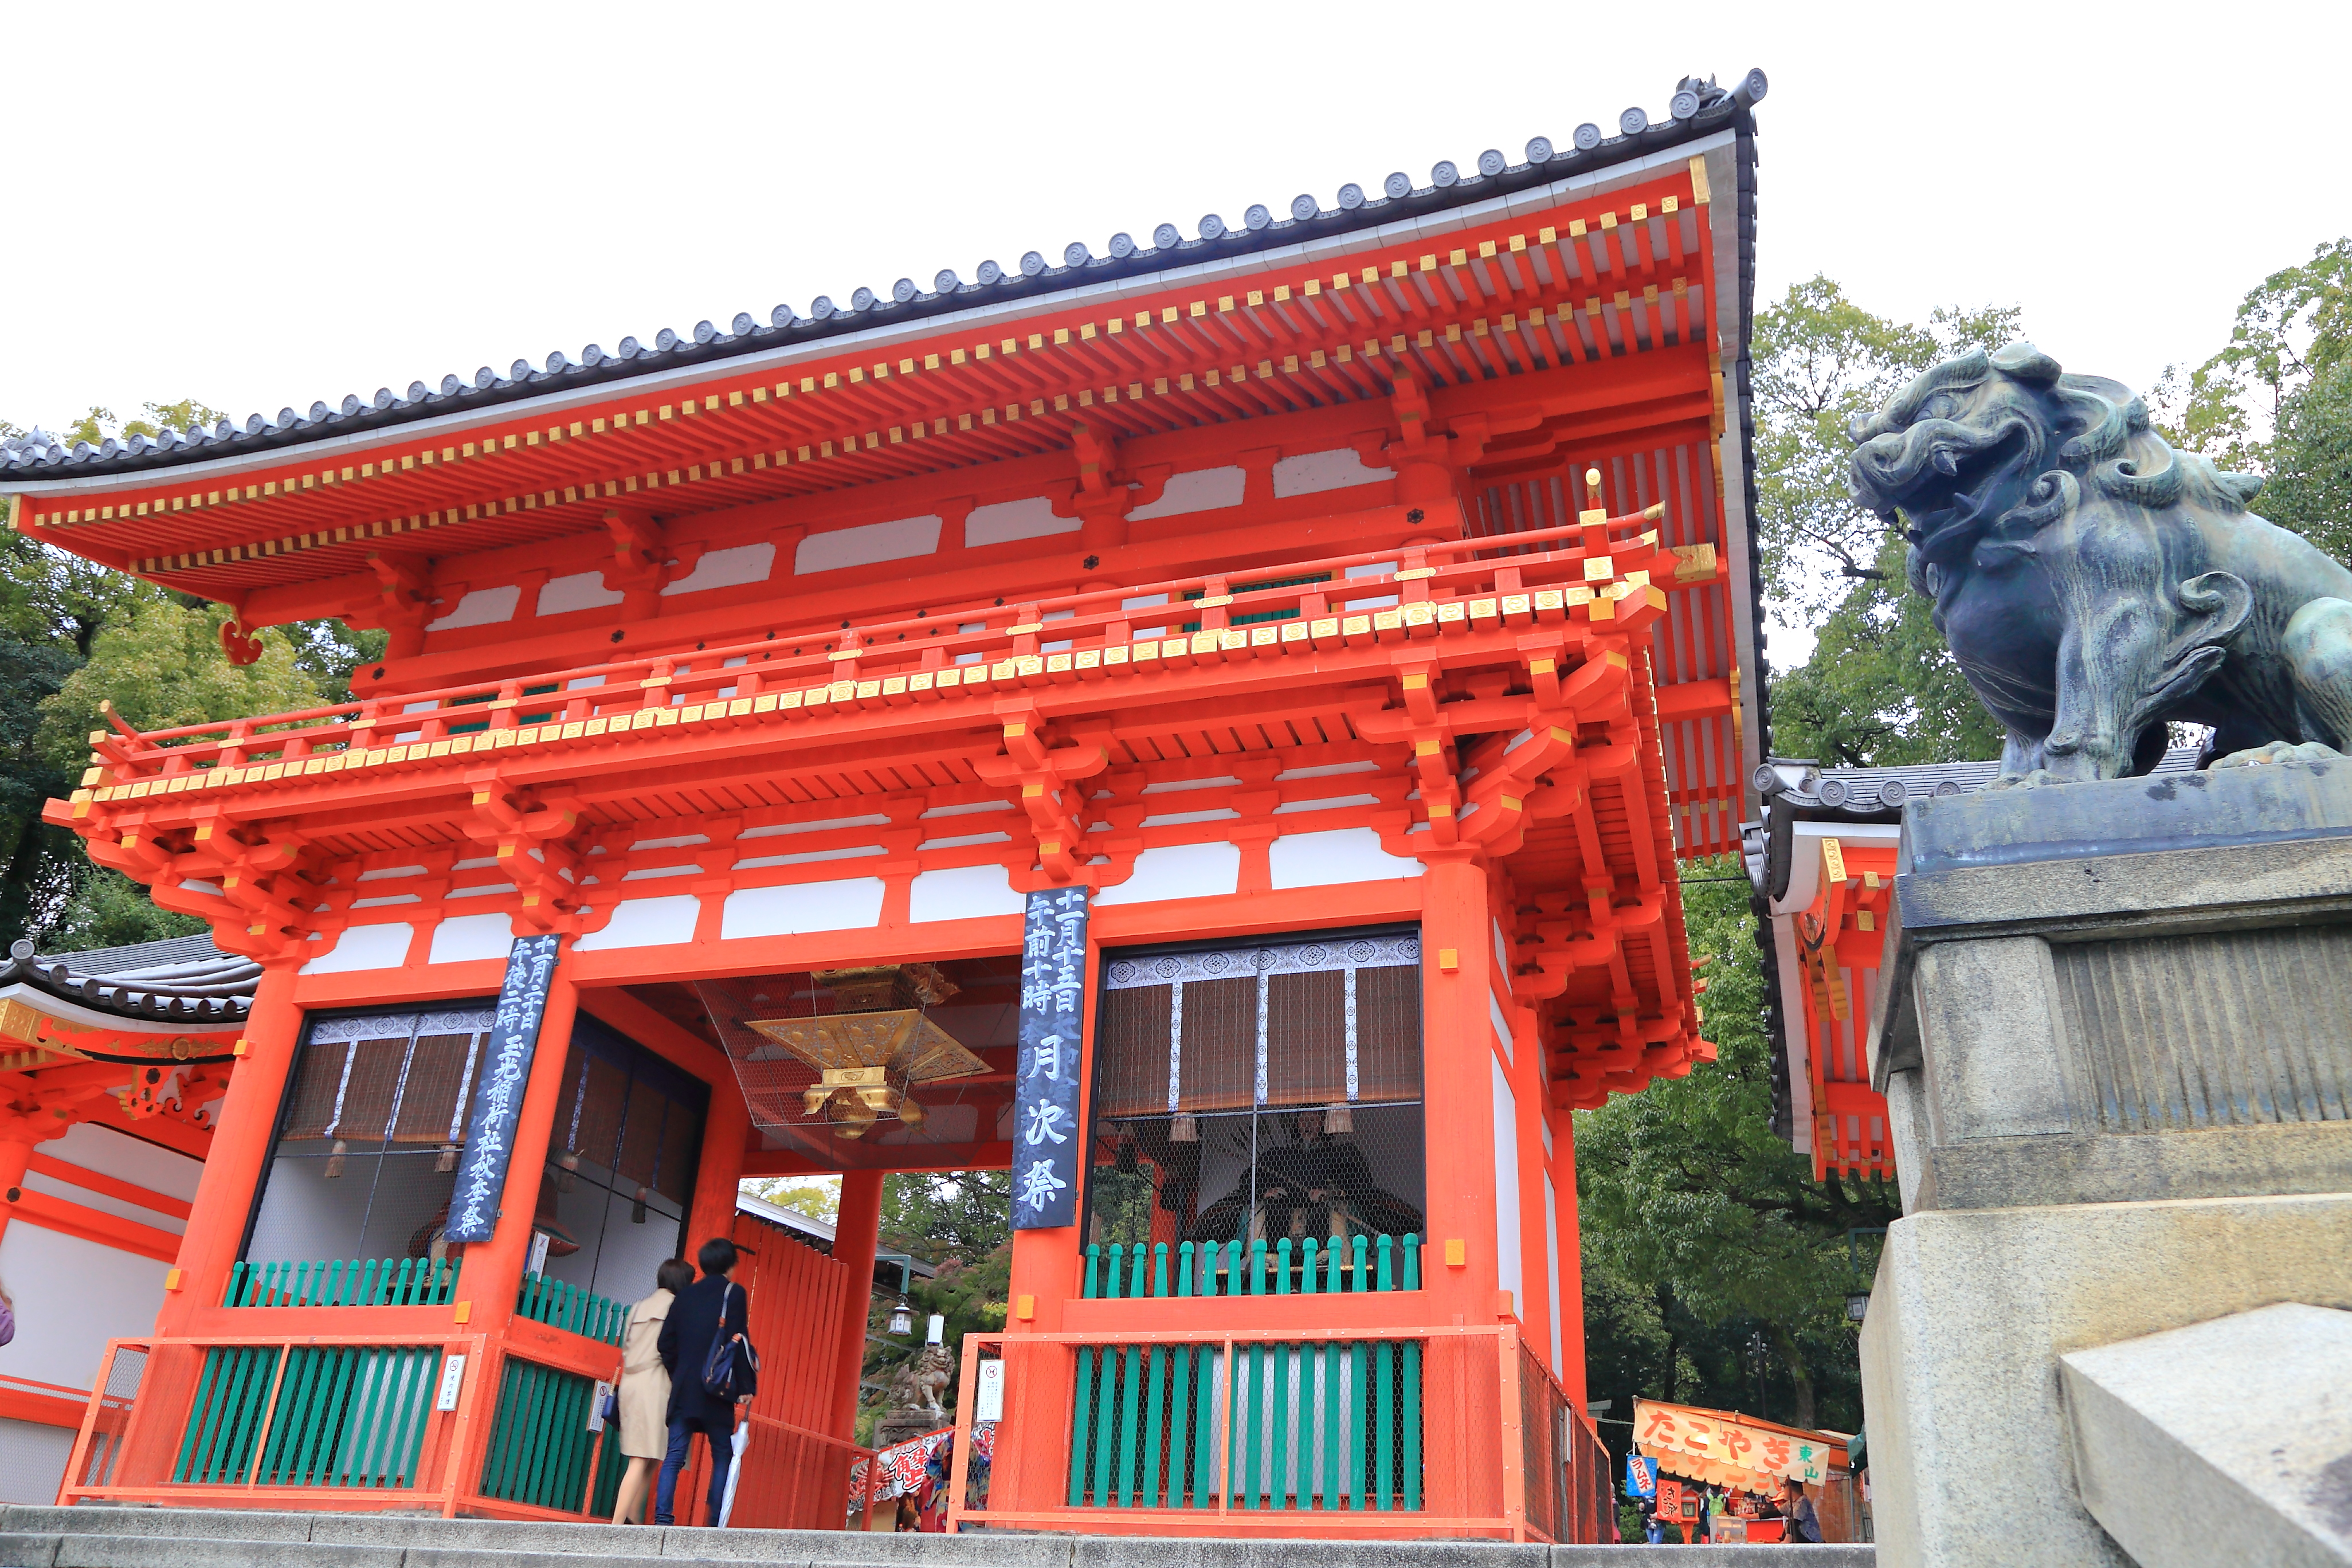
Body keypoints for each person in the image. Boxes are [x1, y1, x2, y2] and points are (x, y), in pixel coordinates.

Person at [654, 1237, 752, 1527]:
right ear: (730, 1265)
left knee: (674, 1455)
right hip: (716, 1388)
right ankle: (712, 1525)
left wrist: (680, 1372)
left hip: (685, 1388)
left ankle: (663, 1521)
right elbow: (738, 1340)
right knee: (721, 1452)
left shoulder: (683, 1296)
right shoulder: (733, 1293)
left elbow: (665, 1344)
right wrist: (745, 1386)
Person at [610, 1258, 693, 1524]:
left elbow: (626, 1345)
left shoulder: (638, 1307)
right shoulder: (678, 1307)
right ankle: (615, 1525)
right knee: (642, 1457)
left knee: (649, 1455)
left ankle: (633, 1520)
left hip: (631, 1381)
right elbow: (678, 1349)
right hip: (657, 1383)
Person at [1788, 1477, 1824, 1543]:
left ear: (1789, 1488)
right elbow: (1777, 1512)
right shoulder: (1792, 1503)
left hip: (1813, 1543)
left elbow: (1794, 1522)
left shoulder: (1802, 1501)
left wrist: (1787, 1540)